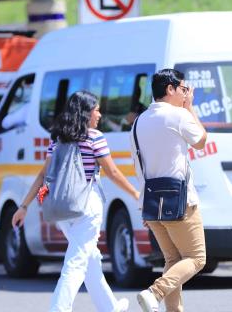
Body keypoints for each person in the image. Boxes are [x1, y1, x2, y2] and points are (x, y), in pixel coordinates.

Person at [12, 91, 140, 312]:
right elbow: (113, 173)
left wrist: (23, 206)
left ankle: (110, 307)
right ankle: (59, 309)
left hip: (63, 208)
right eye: (96, 109)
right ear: (86, 112)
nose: (99, 114)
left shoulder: (58, 139)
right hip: (87, 206)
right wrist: (137, 195)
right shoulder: (95, 137)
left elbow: (43, 175)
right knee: (76, 263)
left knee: (89, 259)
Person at [132, 69, 208, 312]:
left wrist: (144, 204)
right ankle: (155, 292)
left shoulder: (138, 121)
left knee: (173, 260)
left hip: (151, 202)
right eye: (183, 89)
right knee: (196, 258)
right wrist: (190, 107)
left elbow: (138, 166)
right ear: (170, 89)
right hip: (179, 201)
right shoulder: (178, 116)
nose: (185, 93)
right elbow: (201, 140)